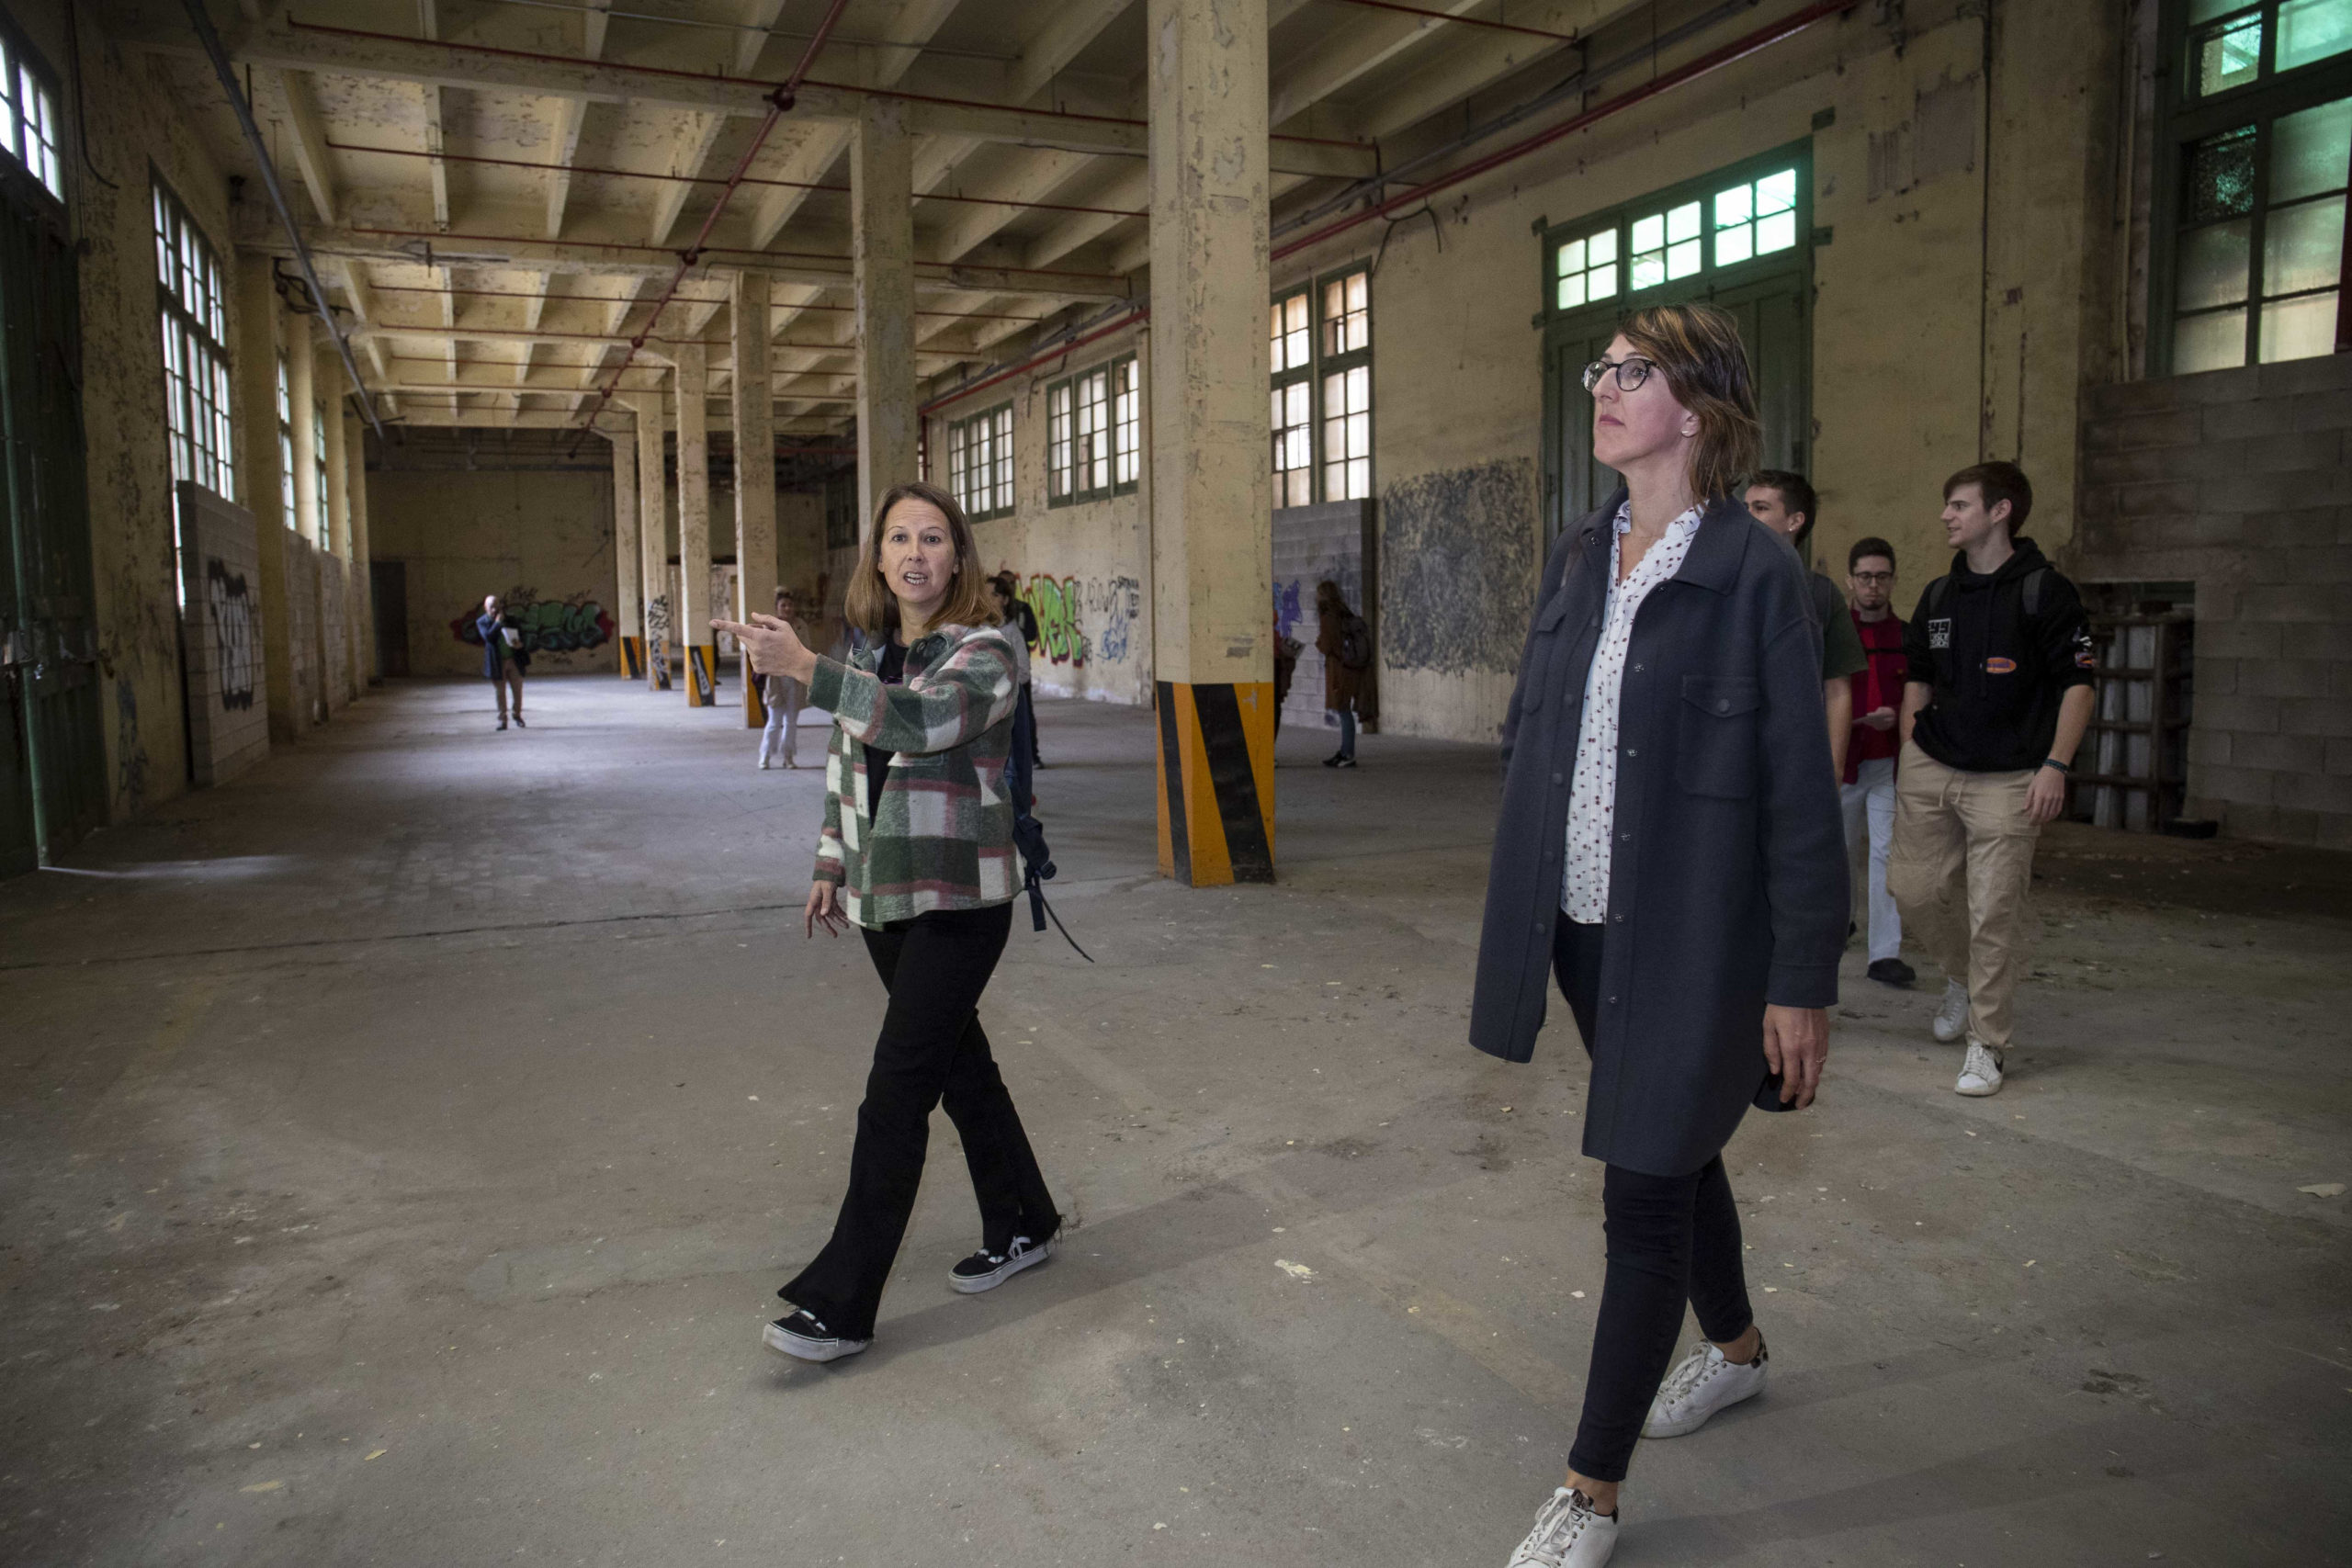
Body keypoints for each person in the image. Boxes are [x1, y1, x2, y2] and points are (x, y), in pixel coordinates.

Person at [1469, 304, 1845, 1568]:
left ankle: (1590, 1489)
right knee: (1674, 1147)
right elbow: (1536, 725)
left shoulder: (1757, 574)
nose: (1606, 388)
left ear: (1696, 406)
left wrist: (1800, 977)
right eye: (1601, 370)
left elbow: (1800, 788)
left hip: (1695, 937)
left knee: (1643, 1196)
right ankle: (1737, 1347)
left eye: (1633, 372)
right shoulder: (1582, 553)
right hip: (1577, 928)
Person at [715, 481, 1060, 1364]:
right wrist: (831, 861)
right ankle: (1027, 1220)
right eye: (899, 537)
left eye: (934, 538)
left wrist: (804, 669)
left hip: (958, 896)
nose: (915, 553)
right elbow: (846, 764)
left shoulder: (987, 651)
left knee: (896, 1090)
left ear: (959, 557)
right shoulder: (874, 650)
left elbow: (920, 722)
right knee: (961, 1069)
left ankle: (843, 1302)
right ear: (878, 556)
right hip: (882, 897)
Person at [1887, 462, 2095, 1098]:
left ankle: (1987, 1044)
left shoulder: (2044, 591)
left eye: (1959, 504)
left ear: (2000, 511)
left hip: (2011, 776)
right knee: (1911, 888)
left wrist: (2056, 765)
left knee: (1994, 910)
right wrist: (1908, 750)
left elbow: (2078, 684)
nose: (1947, 515)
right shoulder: (1938, 596)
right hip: (1933, 761)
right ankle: (1960, 976)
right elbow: (1917, 678)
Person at [1744, 471, 1867, 778]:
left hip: (1794, 760)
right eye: (1744, 508)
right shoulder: (1717, 586)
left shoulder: (1821, 595)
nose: (1746, 518)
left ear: (1794, 521)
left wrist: (1834, 771)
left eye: (1760, 508)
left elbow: (1838, 691)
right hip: (1727, 757)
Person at [1843, 537, 1913, 987]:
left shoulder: (1907, 636)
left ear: (1891, 581)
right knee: (1839, 852)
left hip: (1888, 763)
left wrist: (1899, 717)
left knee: (1886, 854)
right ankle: (1839, 922)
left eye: (1881, 577)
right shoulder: (1834, 633)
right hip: (1841, 761)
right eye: (1865, 577)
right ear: (1851, 580)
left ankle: (1884, 953)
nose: (1873, 585)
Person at [1314, 580, 1371, 769]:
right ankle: (1345, 751)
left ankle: (1348, 754)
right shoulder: (1344, 612)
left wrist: (1319, 643)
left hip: (1339, 670)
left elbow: (1327, 645)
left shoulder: (1328, 616)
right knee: (1344, 709)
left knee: (1344, 711)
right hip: (1349, 668)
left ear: (1323, 596)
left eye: (1318, 593)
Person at [989, 572, 1041, 774]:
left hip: (1006, 700)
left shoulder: (1011, 629)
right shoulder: (972, 628)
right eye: (983, 595)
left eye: (993, 595)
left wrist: (1004, 688)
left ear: (1005, 600)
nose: (987, 600)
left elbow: (1024, 671)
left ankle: (1032, 757)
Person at [757, 587, 809, 770]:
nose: (787, 608)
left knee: (791, 723)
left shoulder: (800, 626)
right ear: (777, 607)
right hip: (776, 680)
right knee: (774, 722)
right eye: (783, 605)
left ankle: (788, 757)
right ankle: (765, 756)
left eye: (790, 605)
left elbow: (806, 650)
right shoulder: (770, 627)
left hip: (794, 679)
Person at [477, 592, 526, 730]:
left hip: (513, 660)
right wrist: (498, 623)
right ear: (485, 607)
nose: (494, 610)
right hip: (497, 662)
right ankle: (502, 720)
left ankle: (517, 715)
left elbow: (522, 635)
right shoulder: (482, 622)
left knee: (517, 690)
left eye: (497, 607)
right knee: (500, 692)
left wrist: (520, 644)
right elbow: (488, 637)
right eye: (491, 607)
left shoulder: (511, 620)